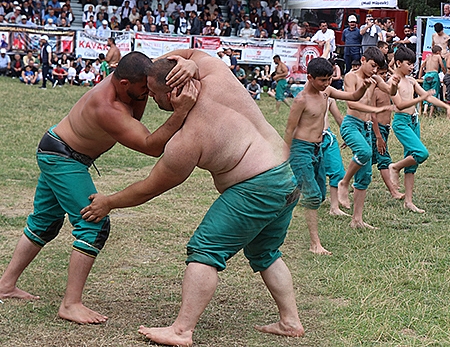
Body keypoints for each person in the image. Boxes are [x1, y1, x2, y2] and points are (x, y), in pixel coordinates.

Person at [80, 50, 305, 346]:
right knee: (264, 252)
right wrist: (188, 62)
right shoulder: (215, 72)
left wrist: (109, 201)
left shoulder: (188, 138)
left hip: (256, 187)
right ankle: (290, 321)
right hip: (285, 177)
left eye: (152, 91)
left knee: (205, 250)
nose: (148, 96)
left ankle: (182, 330)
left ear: (172, 91)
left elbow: (151, 186)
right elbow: (195, 54)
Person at [0, 51, 197, 324]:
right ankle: (70, 304)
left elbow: (153, 73)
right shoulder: (107, 107)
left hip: (56, 149)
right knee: (94, 224)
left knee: (44, 223)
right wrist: (181, 111)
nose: (150, 94)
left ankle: (5, 285)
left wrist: (190, 63)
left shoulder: (128, 80)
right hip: (63, 157)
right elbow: (151, 147)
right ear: (126, 83)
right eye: (145, 89)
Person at [284, 57, 372, 255]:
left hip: (318, 148)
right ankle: (315, 244)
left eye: (329, 79)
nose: (326, 83)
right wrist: (284, 156)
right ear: (310, 77)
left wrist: (364, 87)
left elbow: (353, 96)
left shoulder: (327, 92)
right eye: (322, 80)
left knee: (319, 195)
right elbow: (289, 130)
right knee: (313, 196)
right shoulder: (301, 100)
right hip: (300, 149)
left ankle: (281, 198)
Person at [338, 46, 399, 229]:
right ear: (363, 60)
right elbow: (351, 103)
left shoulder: (375, 78)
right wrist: (376, 109)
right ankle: (344, 182)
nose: (374, 70)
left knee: (365, 175)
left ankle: (357, 220)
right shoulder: (351, 77)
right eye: (372, 66)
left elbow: (391, 92)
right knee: (364, 152)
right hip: (351, 124)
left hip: (366, 128)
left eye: (377, 68)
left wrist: (394, 83)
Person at [389, 46, 450, 213]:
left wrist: (447, 107)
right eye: (408, 64)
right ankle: (395, 167)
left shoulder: (411, 81)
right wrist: (421, 98)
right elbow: (400, 104)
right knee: (421, 153)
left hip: (414, 121)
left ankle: (409, 202)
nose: (412, 67)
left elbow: (429, 97)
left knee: (412, 164)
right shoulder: (393, 82)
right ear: (398, 63)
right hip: (401, 122)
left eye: (413, 64)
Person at [371, 64, 403, 200]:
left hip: (385, 129)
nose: (384, 76)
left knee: (368, 159)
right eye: (381, 74)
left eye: (385, 73)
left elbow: (394, 91)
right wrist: (378, 136)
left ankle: (352, 182)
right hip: (376, 129)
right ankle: (393, 191)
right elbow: (372, 115)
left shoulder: (386, 89)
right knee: (384, 159)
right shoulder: (373, 91)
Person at [418, 45, 446, 116]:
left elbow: (422, 66)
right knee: (434, 93)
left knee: (426, 93)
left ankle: (424, 109)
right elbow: (442, 66)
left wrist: (420, 76)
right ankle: (430, 114)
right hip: (434, 74)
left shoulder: (428, 57)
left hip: (427, 75)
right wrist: (445, 74)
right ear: (438, 52)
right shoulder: (438, 57)